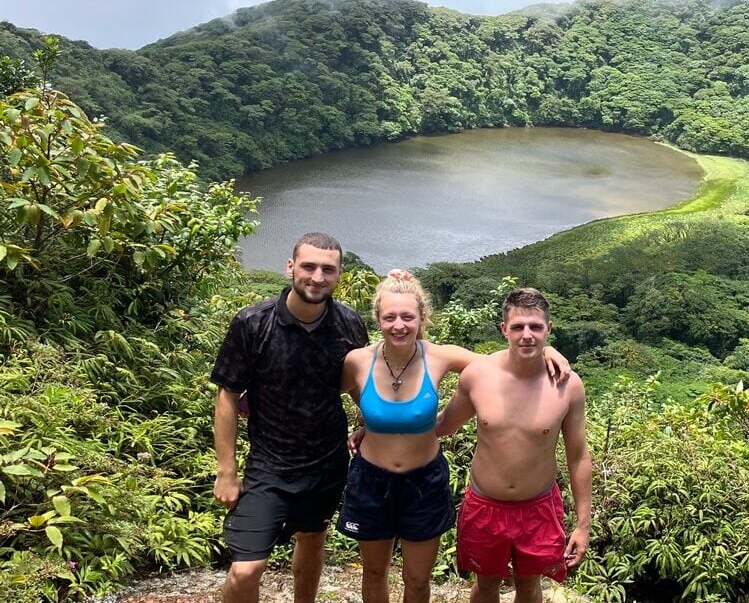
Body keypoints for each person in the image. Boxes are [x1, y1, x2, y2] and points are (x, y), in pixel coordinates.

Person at [338, 270, 571, 603]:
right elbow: (330, 393)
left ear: (422, 318)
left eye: (408, 316)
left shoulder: (439, 355)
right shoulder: (357, 361)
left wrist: (547, 352)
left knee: (417, 581)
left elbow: (506, 363)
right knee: (374, 573)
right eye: (390, 317)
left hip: (423, 481)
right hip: (371, 480)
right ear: (378, 318)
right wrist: (373, 422)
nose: (399, 325)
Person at [211, 232, 369, 603]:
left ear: (340, 274)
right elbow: (227, 395)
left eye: (327, 269)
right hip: (269, 465)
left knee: (313, 539)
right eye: (308, 266)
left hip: (327, 461)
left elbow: (361, 384)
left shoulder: (348, 324)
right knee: (246, 568)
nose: (317, 277)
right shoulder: (253, 323)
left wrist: (369, 423)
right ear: (291, 267)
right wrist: (226, 470)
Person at [436, 287, 591, 603]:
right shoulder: (478, 375)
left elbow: (578, 456)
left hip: (538, 506)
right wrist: (380, 424)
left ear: (549, 329)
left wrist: (584, 525)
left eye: (535, 327)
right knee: (486, 584)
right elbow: (442, 426)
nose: (527, 335)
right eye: (518, 327)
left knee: (529, 586)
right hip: (484, 504)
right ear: (504, 329)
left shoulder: (567, 386)